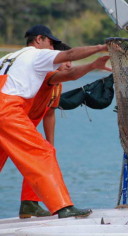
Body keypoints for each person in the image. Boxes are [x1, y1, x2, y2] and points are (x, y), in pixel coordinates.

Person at [0, 24, 111, 218]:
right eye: (51, 44)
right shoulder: (36, 55)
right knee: (42, 154)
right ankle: (62, 207)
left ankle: (29, 203)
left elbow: (49, 112)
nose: (52, 49)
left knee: (41, 151)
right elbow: (70, 58)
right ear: (39, 39)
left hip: (8, 111)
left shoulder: (10, 58)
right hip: (7, 110)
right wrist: (100, 48)